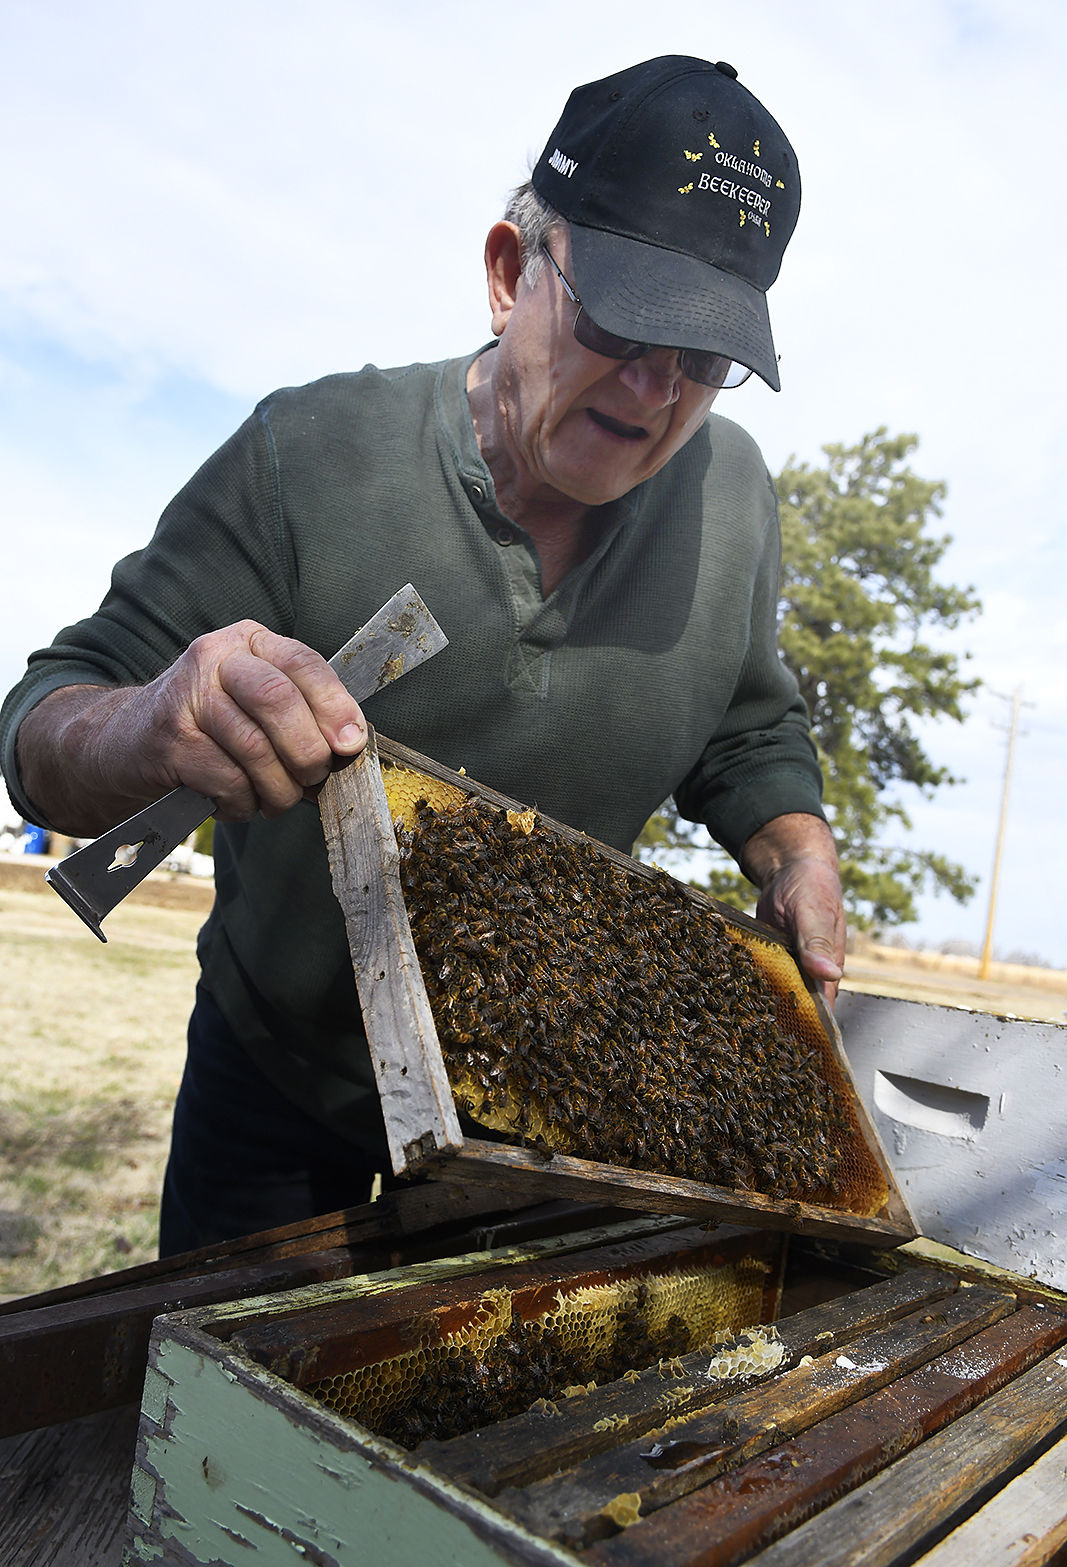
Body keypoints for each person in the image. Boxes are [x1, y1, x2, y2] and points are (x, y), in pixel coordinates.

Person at [0, 55, 845, 1254]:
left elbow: (743, 729)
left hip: (531, 1115)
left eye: (704, 358)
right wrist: (143, 726)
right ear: (510, 273)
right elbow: (45, 720)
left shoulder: (737, 499)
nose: (656, 388)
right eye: (624, 322)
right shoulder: (310, 454)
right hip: (279, 1088)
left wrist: (794, 841)